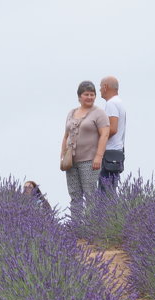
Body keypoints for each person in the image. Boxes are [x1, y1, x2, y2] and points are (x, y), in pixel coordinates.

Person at [60, 80, 109, 218]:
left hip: (89, 160)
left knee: (90, 195)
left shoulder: (99, 113)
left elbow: (104, 134)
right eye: (86, 94)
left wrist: (99, 156)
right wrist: (63, 155)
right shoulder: (71, 113)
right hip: (71, 161)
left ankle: (91, 228)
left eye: (92, 94)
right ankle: (76, 228)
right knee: (74, 195)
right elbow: (66, 135)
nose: (89, 97)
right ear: (79, 96)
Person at [98, 75, 127, 190]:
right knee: (110, 190)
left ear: (105, 87)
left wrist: (98, 138)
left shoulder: (111, 104)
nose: (99, 90)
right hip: (117, 152)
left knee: (104, 192)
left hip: (109, 152)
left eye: (100, 87)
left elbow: (113, 128)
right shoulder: (119, 103)